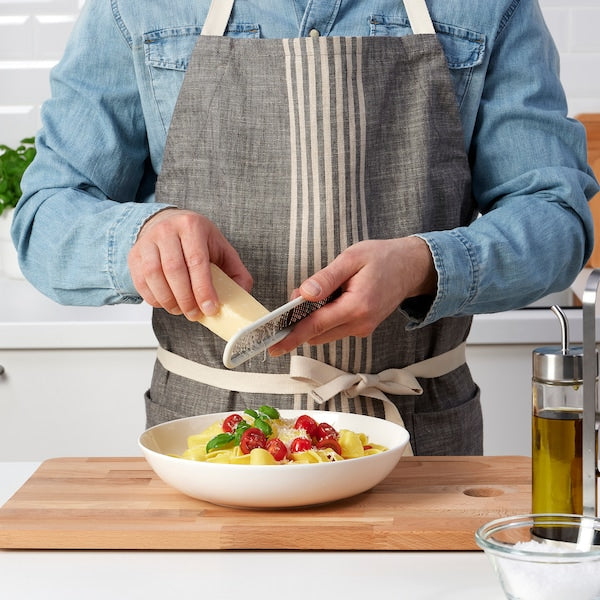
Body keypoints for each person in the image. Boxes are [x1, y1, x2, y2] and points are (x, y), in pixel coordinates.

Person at [12, 0, 599, 455]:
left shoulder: (487, 5)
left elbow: (555, 215)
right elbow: (46, 216)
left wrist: (424, 263)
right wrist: (140, 238)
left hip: (419, 442)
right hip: (206, 444)